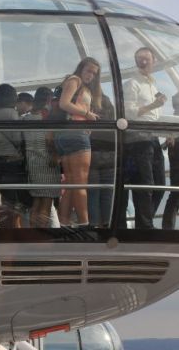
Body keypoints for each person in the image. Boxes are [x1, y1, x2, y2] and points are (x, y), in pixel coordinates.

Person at [121, 47, 166, 229]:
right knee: (144, 183)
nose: (143, 62)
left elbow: (155, 117)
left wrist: (168, 134)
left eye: (146, 58)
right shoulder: (132, 84)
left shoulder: (152, 85)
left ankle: (144, 222)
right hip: (138, 139)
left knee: (160, 184)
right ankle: (145, 227)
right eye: (140, 59)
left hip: (153, 138)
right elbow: (129, 113)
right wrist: (153, 105)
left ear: (154, 61)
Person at [53, 57, 101, 227]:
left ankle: (64, 224)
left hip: (66, 135)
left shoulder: (79, 84)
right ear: (81, 68)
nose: (91, 76)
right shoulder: (75, 80)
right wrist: (87, 115)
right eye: (88, 71)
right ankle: (84, 224)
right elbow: (64, 103)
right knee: (80, 183)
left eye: (94, 73)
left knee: (71, 183)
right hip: (76, 135)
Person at [0, 83, 28, 228]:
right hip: (11, 162)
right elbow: (17, 139)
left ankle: (6, 229)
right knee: (14, 203)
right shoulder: (12, 114)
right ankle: (13, 231)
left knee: (6, 200)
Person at [22, 91, 60, 227]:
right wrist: (56, 155)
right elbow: (49, 140)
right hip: (47, 163)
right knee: (46, 202)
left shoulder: (26, 119)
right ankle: (42, 234)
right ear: (48, 99)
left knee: (37, 202)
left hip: (32, 163)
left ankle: (33, 233)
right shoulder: (46, 116)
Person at [87, 94, 115, 227]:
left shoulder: (91, 118)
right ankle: (106, 225)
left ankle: (93, 225)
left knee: (93, 193)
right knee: (107, 193)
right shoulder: (113, 122)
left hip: (92, 156)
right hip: (110, 158)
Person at [163, 93, 179, 229]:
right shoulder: (175, 116)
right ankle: (168, 227)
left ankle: (168, 227)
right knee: (176, 192)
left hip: (175, 150)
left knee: (176, 193)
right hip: (176, 151)